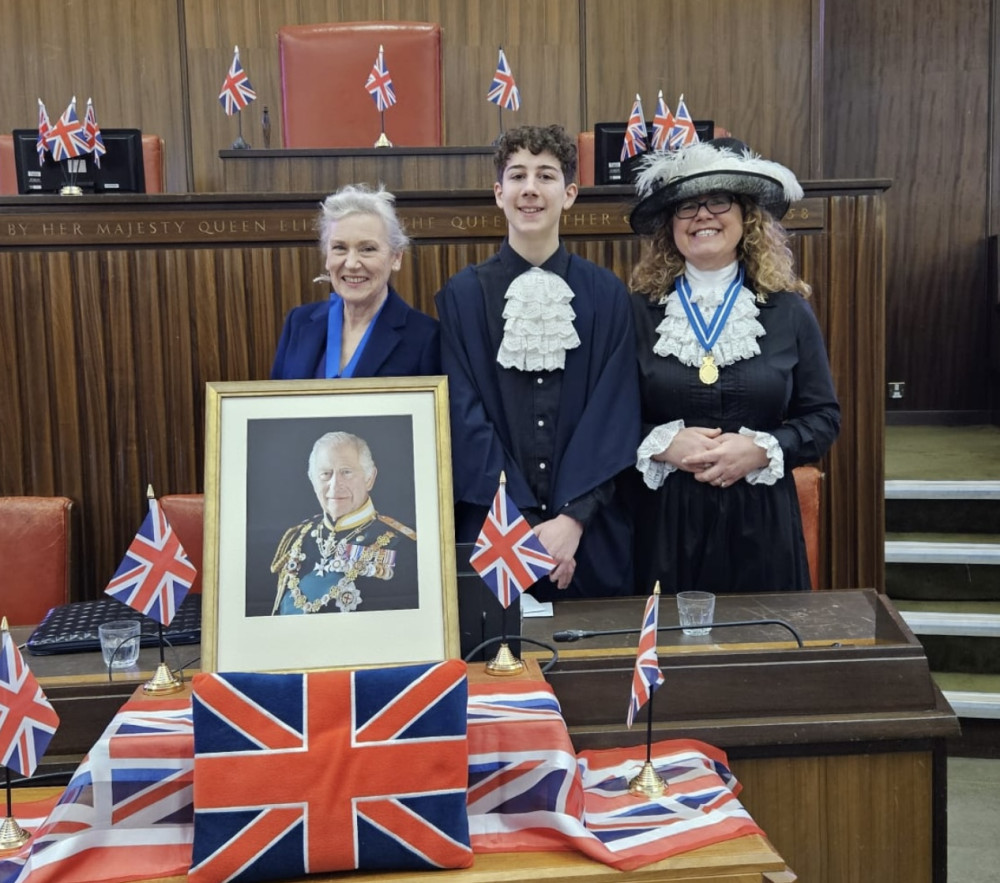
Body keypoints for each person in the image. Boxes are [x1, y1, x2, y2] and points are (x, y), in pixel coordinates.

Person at [625, 138, 841, 594]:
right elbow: (605, 420)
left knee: (760, 656)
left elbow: (823, 418)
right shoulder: (636, 314)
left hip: (762, 523)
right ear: (670, 226)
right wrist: (662, 443)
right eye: (686, 206)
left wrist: (763, 450)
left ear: (746, 216)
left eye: (718, 200)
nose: (703, 214)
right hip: (664, 523)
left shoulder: (789, 311)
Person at [436, 124, 640, 601]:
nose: (530, 188)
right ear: (498, 192)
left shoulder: (607, 294)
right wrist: (524, 529)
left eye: (546, 176)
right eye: (517, 175)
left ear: (569, 194)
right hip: (493, 535)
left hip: (589, 536)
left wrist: (571, 518)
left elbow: (615, 415)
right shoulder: (461, 297)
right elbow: (464, 423)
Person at [271, 184, 440, 379]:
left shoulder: (426, 337)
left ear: (396, 258)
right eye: (339, 248)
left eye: (367, 249)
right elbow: (276, 404)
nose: (351, 264)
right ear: (327, 256)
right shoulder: (298, 323)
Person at [271, 431, 417, 614]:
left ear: (369, 478)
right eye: (325, 474)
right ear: (313, 480)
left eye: (346, 472)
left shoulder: (402, 545)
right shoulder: (297, 538)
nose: (334, 485)